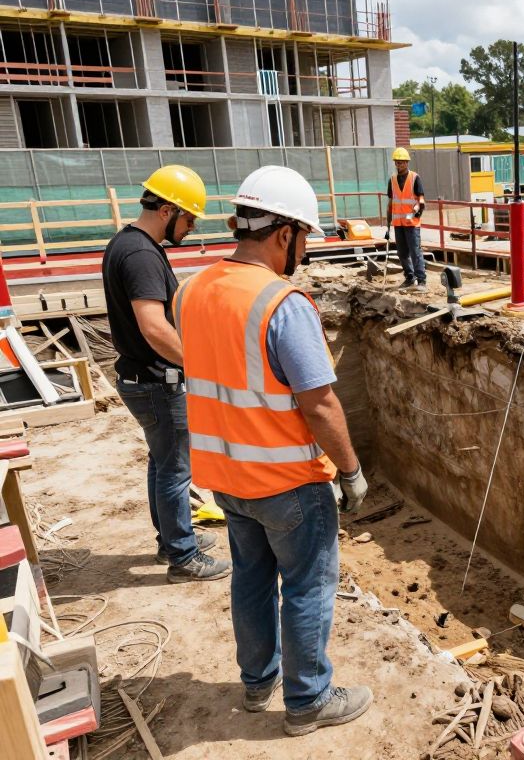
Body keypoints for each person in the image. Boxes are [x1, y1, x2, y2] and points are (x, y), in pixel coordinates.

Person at [173, 165, 372, 736]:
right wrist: (352, 471)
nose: (304, 251)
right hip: (287, 482)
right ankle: (308, 700)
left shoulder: (192, 290)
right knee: (307, 586)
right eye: (304, 238)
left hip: (225, 477)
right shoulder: (282, 303)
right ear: (283, 234)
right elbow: (321, 404)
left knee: (251, 578)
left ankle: (260, 682)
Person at [101, 165, 231, 583]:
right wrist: (199, 365)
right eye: (189, 218)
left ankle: (172, 539)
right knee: (176, 468)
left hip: (142, 379)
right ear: (167, 210)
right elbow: (153, 326)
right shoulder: (140, 255)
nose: (191, 228)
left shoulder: (127, 243)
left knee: (162, 464)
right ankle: (183, 556)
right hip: (157, 381)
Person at [384, 147, 427, 292]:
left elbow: (421, 201)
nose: (399, 164)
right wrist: (387, 223)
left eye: (402, 162)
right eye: (397, 162)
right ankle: (410, 277)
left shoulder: (415, 178)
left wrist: (414, 214)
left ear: (407, 163)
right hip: (398, 223)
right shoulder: (392, 180)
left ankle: (421, 280)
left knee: (415, 251)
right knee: (402, 253)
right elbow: (391, 202)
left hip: (412, 223)